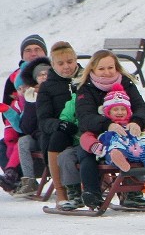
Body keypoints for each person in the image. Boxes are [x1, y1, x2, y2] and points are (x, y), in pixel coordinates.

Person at [75, 49, 145, 209]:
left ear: (116, 67)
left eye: (110, 68)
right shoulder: (86, 88)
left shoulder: (126, 83)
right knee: (86, 153)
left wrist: (137, 121)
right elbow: (84, 116)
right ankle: (92, 193)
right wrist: (106, 124)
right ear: (93, 70)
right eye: (101, 69)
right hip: (98, 134)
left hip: (127, 130)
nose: (107, 72)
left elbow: (141, 107)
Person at [36, 41, 88, 210]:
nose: (66, 67)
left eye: (70, 62)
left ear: (76, 60)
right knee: (59, 136)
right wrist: (60, 124)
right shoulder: (47, 87)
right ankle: (61, 192)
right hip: (58, 134)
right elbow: (43, 120)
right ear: (53, 65)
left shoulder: (87, 78)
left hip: (86, 126)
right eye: (61, 63)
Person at [2, 35, 48, 171]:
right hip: (21, 125)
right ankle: (13, 178)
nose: (33, 53)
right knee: (4, 146)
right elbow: (7, 104)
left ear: (45, 52)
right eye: (28, 50)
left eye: (37, 49)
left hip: (42, 126)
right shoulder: (15, 78)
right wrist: (12, 128)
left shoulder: (51, 72)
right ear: (22, 55)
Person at [8, 57, 51, 196]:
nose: (44, 77)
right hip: (37, 135)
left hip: (51, 134)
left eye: (46, 74)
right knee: (23, 141)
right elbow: (26, 127)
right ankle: (29, 180)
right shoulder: (30, 96)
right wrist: (31, 103)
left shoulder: (57, 91)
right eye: (40, 75)